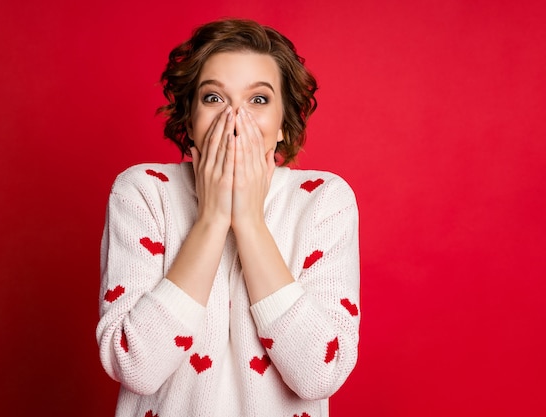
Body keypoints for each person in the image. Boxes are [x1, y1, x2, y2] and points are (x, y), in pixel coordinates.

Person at [96, 18, 360, 417]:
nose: (234, 120)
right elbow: (136, 366)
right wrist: (212, 218)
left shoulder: (322, 201)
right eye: (214, 98)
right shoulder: (143, 192)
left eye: (258, 100)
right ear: (189, 118)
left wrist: (250, 222)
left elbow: (318, 374)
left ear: (282, 126)